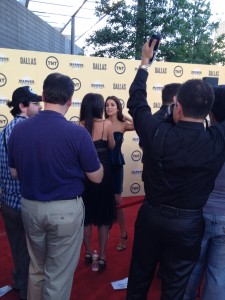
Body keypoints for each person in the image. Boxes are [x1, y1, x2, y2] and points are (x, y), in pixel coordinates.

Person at [126, 39, 225, 300]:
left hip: (152, 216)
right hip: (189, 224)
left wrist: (145, 63)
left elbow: (136, 102)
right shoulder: (216, 141)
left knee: (139, 278)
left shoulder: (156, 130)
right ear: (207, 113)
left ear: (177, 107)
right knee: (175, 287)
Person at [7, 73, 103, 300]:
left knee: (37, 269)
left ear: (42, 96)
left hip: (30, 207)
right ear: (70, 101)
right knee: (57, 275)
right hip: (65, 211)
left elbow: (14, 172)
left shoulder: (19, 130)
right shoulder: (77, 133)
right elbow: (97, 177)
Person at [0, 86, 42, 300]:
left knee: (17, 248)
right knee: (31, 256)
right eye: (35, 103)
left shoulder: (4, 130)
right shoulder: (28, 130)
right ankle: (26, 293)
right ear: (22, 106)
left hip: (7, 202)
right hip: (25, 203)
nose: (40, 106)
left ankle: (18, 281)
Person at [184, 85, 225, 300]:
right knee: (218, 275)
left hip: (199, 214)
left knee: (191, 269)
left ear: (211, 110)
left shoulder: (204, 139)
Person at [80, 93, 116, 271]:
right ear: (98, 107)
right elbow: (111, 146)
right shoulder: (107, 124)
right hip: (104, 174)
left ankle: (87, 252)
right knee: (103, 218)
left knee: (85, 217)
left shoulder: (78, 126)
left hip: (84, 174)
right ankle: (101, 256)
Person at [105, 95, 134, 251]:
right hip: (102, 165)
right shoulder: (102, 123)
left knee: (117, 199)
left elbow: (138, 125)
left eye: (112, 105)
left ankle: (123, 234)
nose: (109, 107)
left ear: (117, 107)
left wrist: (126, 116)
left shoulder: (123, 125)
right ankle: (107, 226)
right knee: (105, 198)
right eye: (107, 105)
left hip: (116, 164)